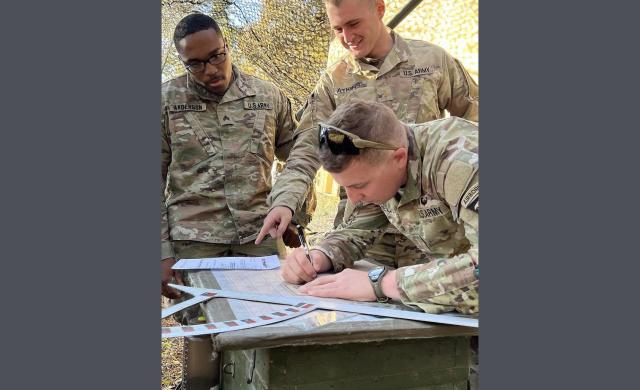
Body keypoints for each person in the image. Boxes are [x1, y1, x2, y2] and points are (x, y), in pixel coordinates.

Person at [256, 0, 478, 269]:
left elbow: (474, 120)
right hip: (362, 228)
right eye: (337, 29)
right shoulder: (334, 81)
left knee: (436, 296)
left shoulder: (432, 61)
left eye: (354, 23)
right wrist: (285, 202)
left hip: (433, 228)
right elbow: (305, 150)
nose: (347, 38)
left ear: (379, 9)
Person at [161, 13, 310, 390]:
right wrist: (160, 252)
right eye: (194, 63)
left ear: (227, 45)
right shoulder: (165, 101)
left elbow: (300, 158)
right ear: (183, 62)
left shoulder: (269, 96)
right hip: (195, 244)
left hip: (257, 240)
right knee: (201, 340)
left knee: (265, 334)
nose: (209, 69)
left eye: (216, 56)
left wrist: (297, 214)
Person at [283, 100, 478, 315]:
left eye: (359, 186)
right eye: (346, 187)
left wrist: (382, 284)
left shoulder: (461, 162)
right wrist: (320, 256)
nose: (354, 199)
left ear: (399, 158)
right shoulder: (384, 166)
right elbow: (358, 230)